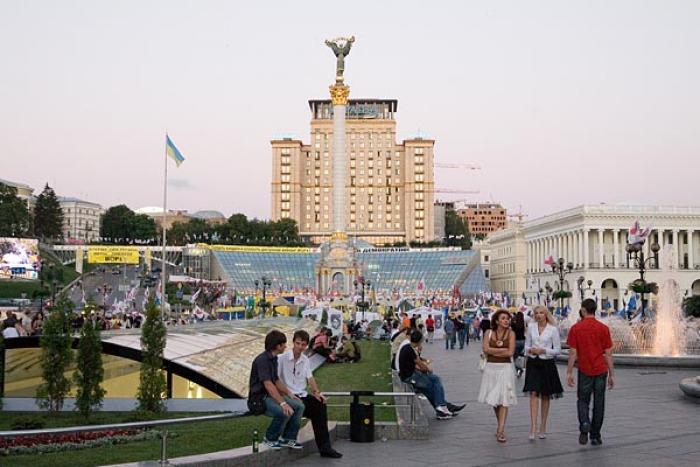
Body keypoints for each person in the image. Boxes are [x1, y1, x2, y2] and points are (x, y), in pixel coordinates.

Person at [277, 330, 342, 458]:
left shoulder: (305, 360)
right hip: (288, 395)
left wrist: (316, 392)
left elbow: (310, 378)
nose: (300, 347)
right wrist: (286, 394)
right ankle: (287, 437)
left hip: (302, 395)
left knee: (320, 405)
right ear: (293, 342)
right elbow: (276, 380)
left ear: (306, 345)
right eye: (298, 343)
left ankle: (325, 448)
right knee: (298, 406)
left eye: (303, 345)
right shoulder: (281, 359)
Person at [566, 298, 614, 446]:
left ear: (583, 310)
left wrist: (569, 372)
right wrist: (611, 374)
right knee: (599, 403)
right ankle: (595, 435)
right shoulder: (603, 328)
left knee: (583, 400)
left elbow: (573, 353)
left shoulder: (576, 328)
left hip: (584, 370)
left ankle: (585, 423)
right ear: (595, 310)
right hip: (600, 369)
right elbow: (608, 353)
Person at [248, 330, 305, 450]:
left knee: (299, 405)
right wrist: (283, 403)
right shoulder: (262, 360)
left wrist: (289, 394)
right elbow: (268, 384)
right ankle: (270, 438)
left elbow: (276, 381)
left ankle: (288, 438)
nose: (285, 346)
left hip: (270, 396)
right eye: (283, 344)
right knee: (283, 411)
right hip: (259, 399)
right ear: (277, 346)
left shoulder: (274, 358)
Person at [398, 330, 465, 419]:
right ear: (420, 341)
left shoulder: (407, 347)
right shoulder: (409, 349)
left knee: (434, 381)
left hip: (408, 374)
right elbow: (422, 367)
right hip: (410, 377)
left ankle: (443, 408)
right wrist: (427, 369)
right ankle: (442, 408)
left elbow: (415, 363)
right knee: (433, 384)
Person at [522, 305, 563, 440]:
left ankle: (543, 426)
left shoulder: (553, 330)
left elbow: (557, 349)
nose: (539, 315)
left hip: (547, 363)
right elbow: (526, 346)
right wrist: (531, 350)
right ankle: (533, 427)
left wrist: (545, 351)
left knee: (545, 395)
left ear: (546, 315)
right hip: (534, 362)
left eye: (541, 313)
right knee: (533, 393)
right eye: (536, 313)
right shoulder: (531, 327)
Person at [478, 309, 517, 443]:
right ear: (496, 321)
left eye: (507, 318)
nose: (506, 321)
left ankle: (500, 430)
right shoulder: (488, 333)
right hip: (491, 369)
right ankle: (500, 425)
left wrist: (493, 352)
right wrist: (502, 351)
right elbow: (485, 349)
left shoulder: (511, 333)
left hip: (505, 368)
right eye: (503, 318)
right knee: (494, 400)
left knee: (504, 399)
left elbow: (510, 352)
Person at [511, 311, 526, 377]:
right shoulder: (523, 324)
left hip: (516, 342)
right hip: (523, 341)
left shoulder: (514, 324)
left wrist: (513, 319)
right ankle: (520, 369)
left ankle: (519, 369)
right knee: (520, 356)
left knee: (513, 358)